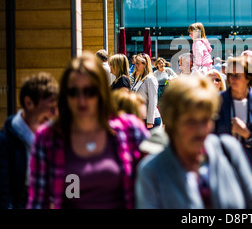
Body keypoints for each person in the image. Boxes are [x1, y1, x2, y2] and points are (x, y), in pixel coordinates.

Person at [27, 52, 150, 209]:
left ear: (102, 93)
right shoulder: (47, 137)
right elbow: (38, 202)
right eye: (74, 92)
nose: (82, 100)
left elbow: (155, 187)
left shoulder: (131, 130)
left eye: (90, 91)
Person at [135, 75, 252, 209]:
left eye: (206, 119)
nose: (201, 129)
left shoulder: (229, 150)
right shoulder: (152, 171)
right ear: (172, 121)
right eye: (191, 121)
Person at [0, 73, 59, 209]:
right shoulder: (4, 143)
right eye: (51, 107)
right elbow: (4, 197)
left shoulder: (55, 139)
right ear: (29, 103)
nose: (55, 114)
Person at [214, 56, 252, 174]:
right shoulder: (217, 101)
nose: (232, 79)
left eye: (237, 75)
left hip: (250, 167)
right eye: (230, 75)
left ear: (248, 77)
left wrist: (248, 135)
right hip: (221, 167)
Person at [131, 53, 161, 130]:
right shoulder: (140, 78)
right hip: (142, 118)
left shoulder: (150, 79)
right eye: (135, 63)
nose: (135, 65)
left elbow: (153, 100)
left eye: (138, 63)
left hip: (150, 120)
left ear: (145, 64)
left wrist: (150, 121)